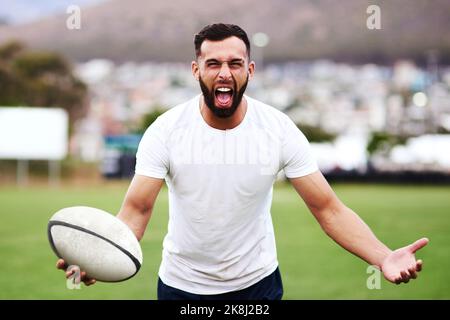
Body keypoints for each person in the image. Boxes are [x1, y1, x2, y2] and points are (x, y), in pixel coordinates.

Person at [57, 23, 429, 300]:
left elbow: (329, 209)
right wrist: (100, 255)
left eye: (235, 64)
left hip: (257, 287)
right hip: (181, 288)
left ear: (249, 71)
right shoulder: (165, 130)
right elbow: (137, 209)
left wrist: (383, 257)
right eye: (213, 63)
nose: (224, 73)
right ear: (196, 70)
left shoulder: (279, 130)